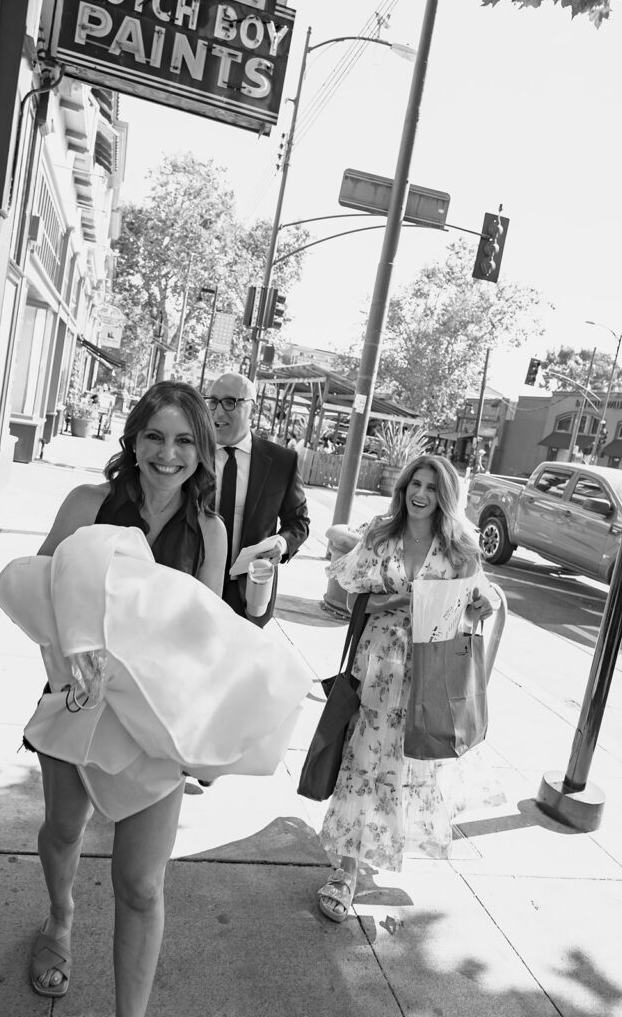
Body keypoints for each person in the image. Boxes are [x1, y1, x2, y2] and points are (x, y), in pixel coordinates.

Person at [27, 381, 227, 1015]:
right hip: (78, 703)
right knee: (64, 827)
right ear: (134, 440)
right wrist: (65, 666)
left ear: (202, 452)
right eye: (155, 437)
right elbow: (39, 589)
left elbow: (205, 639)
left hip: (153, 723)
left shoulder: (210, 532)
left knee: (141, 885)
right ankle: (60, 920)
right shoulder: (88, 503)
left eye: (184, 441)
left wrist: (199, 731)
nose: (168, 454)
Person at [316, 454, 501, 923]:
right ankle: (346, 871)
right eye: (414, 484)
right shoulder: (382, 533)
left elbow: (471, 610)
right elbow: (350, 589)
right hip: (377, 664)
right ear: (403, 488)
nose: (420, 494)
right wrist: (401, 598)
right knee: (362, 760)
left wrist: (475, 610)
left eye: (432, 488)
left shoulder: (459, 549)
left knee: (405, 766)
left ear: (446, 496)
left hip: (428, 670)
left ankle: (376, 845)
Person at [206, 372, 310, 626]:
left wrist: (282, 545)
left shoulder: (282, 462)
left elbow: (298, 522)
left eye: (230, 402)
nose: (218, 412)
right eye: (213, 401)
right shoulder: (193, 452)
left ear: (252, 408)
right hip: (195, 581)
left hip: (249, 590)